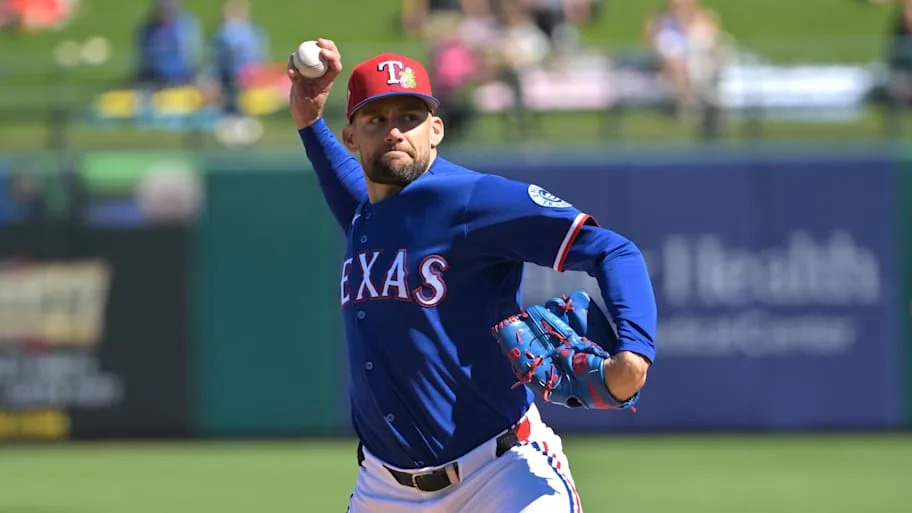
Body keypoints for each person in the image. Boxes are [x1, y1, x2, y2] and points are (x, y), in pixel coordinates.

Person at [288, 38, 657, 512]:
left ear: (436, 129)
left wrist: (635, 354)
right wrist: (307, 116)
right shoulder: (365, 211)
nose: (395, 131)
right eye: (377, 119)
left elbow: (613, 250)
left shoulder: (473, 199)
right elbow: (340, 175)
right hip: (383, 488)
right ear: (352, 137)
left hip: (500, 475)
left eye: (409, 117)